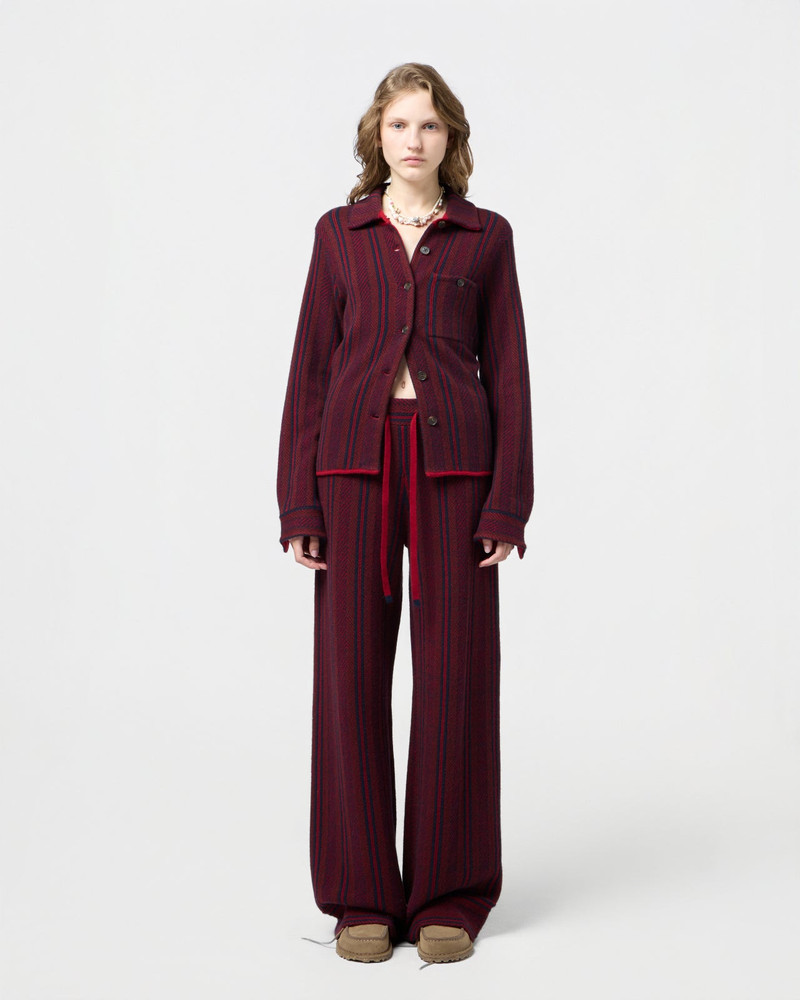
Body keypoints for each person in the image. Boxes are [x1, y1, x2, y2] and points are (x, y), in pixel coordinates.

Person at [277, 62, 533, 964]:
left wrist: (508, 502)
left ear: (450, 137)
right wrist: (298, 498)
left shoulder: (485, 237)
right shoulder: (339, 234)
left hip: (457, 467)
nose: (413, 140)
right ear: (376, 137)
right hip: (352, 465)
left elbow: (510, 372)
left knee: (457, 673)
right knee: (349, 674)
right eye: (398, 125)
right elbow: (311, 367)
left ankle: (449, 895)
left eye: (428, 125)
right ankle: (360, 896)